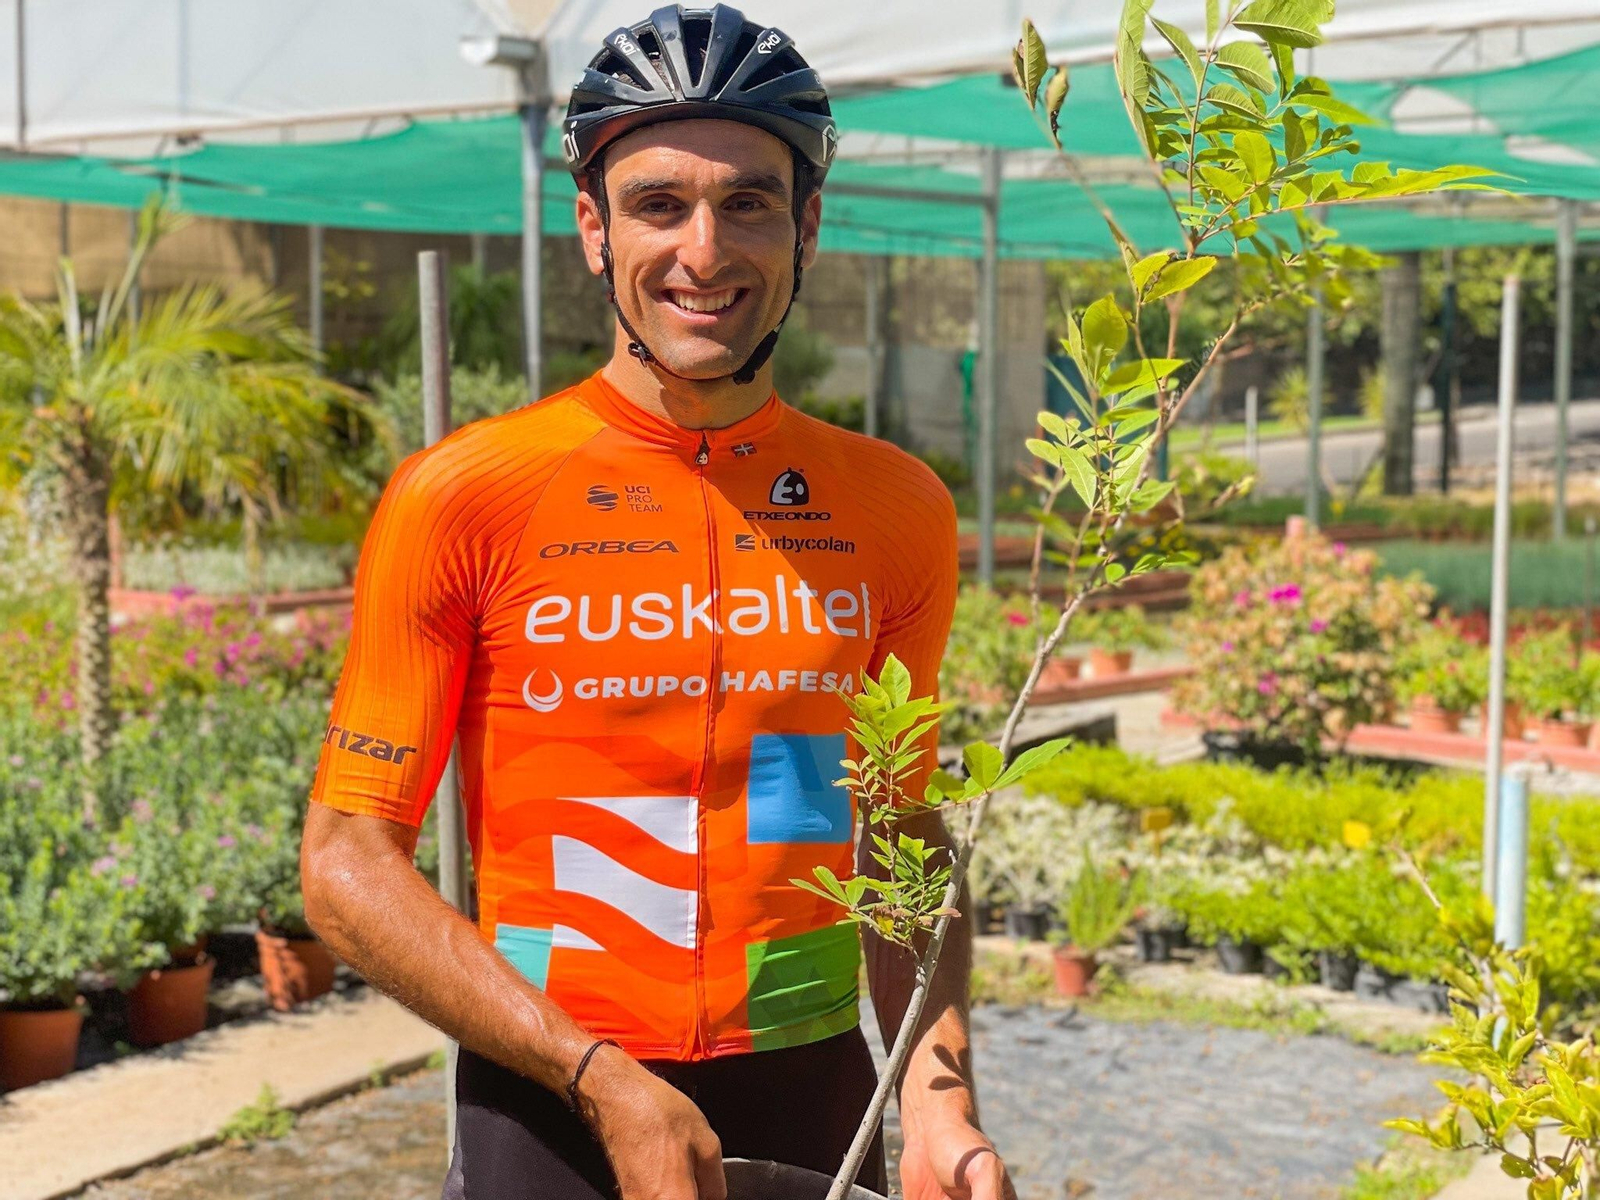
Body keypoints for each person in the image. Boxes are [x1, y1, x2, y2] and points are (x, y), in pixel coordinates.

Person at [300, 7, 1014, 1200]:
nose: (704, 249)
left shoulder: (895, 510)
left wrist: (940, 1103)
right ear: (592, 227)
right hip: (550, 1092)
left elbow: (898, 830)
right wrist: (595, 1077)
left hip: (811, 1079)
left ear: (808, 226)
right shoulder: (464, 497)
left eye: (747, 202)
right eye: (657, 203)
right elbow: (346, 862)